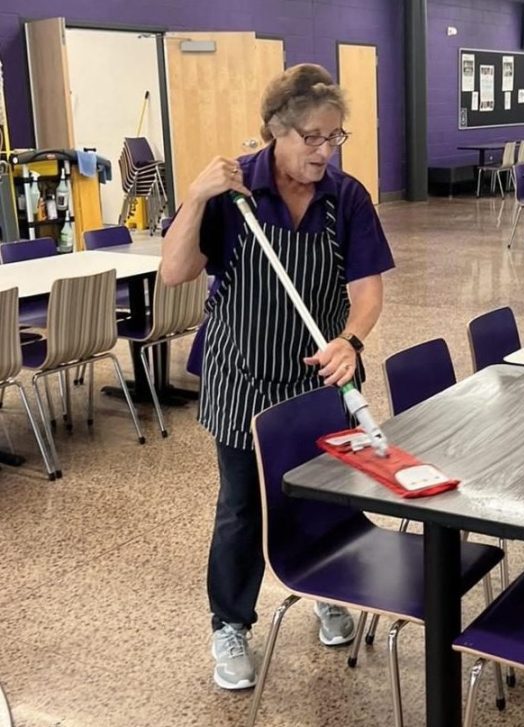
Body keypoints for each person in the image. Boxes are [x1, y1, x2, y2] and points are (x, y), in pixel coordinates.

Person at [161, 64, 394, 690]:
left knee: (324, 496)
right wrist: (194, 197)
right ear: (275, 131)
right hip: (242, 377)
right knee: (240, 509)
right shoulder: (236, 192)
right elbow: (175, 273)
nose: (324, 151)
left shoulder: (345, 197)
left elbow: (367, 290)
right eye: (312, 137)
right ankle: (229, 624)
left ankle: (325, 588)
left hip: (321, 382)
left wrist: (351, 340)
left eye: (334, 137)